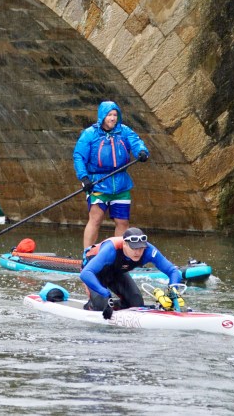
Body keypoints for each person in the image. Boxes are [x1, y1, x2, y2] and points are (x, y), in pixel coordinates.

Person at [73, 100, 149, 249]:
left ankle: (118, 255)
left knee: (122, 222)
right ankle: (87, 254)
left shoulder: (124, 131)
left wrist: (141, 151)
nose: (113, 118)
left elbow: (136, 142)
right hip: (98, 183)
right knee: (96, 219)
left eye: (115, 115)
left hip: (121, 184)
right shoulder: (90, 134)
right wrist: (84, 178)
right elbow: (79, 157)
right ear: (102, 116)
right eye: (109, 115)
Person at [79, 227, 183, 318]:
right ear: (125, 244)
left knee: (137, 304)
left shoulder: (149, 251)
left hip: (117, 271)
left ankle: (114, 306)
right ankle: (91, 306)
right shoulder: (111, 249)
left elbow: (173, 271)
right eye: (134, 248)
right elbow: (85, 274)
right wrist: (105, 293)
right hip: (94, 273)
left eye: (141, 248)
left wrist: (173, 290)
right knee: (101, 304)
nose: (138, 252)